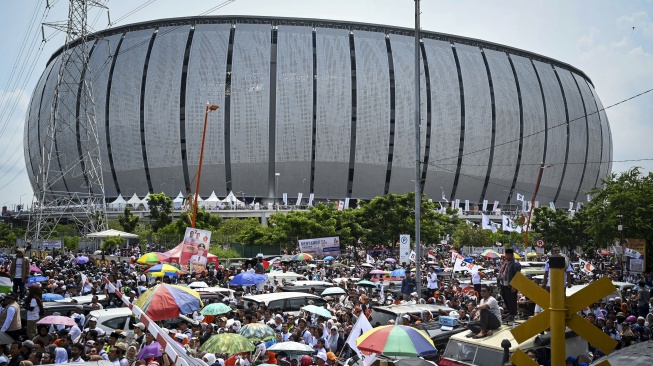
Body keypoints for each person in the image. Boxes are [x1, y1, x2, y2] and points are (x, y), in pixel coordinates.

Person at [498, 249, 521, 322]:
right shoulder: (505, 263)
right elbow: (502, 273)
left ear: (511, 255)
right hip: (503, 284)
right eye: (506, 255)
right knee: (506, 300)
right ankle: (510, 313)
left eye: (508, 255)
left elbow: (517, 276)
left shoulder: (515, 264)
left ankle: (513, 314)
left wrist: (514, 286)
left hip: (511, 286)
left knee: (512, 300)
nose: (507, 256)